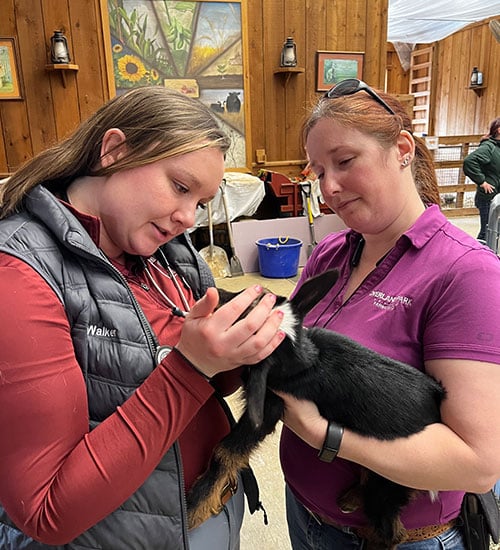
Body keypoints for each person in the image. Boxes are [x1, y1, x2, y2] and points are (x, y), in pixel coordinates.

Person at [0, 87, 285, 549]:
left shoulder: (163, 250)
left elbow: (216, 384)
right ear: (113, 150)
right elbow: (47, 511)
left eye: (201, 202)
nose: (188, 217)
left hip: (206, 506)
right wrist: (190, 368)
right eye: (179, 186)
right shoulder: (20, 275)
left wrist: (242, 345)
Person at [277, 79, 500, 549]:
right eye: (317, 172)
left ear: (402, 148)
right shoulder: (332, 252)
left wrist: (325, 434)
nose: (329, 188)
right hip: (306, 514)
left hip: (396, 536)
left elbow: (477, 464)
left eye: (344, 161)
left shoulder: (467, 274)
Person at [463, 117, 500, 241]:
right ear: (499, 130)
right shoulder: (489, 148)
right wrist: (482, 182)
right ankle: (476, 257)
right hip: (488, 198)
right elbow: (469, 161)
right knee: (487, 231)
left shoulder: (497, 148)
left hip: (496, 198)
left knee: (495, 231)